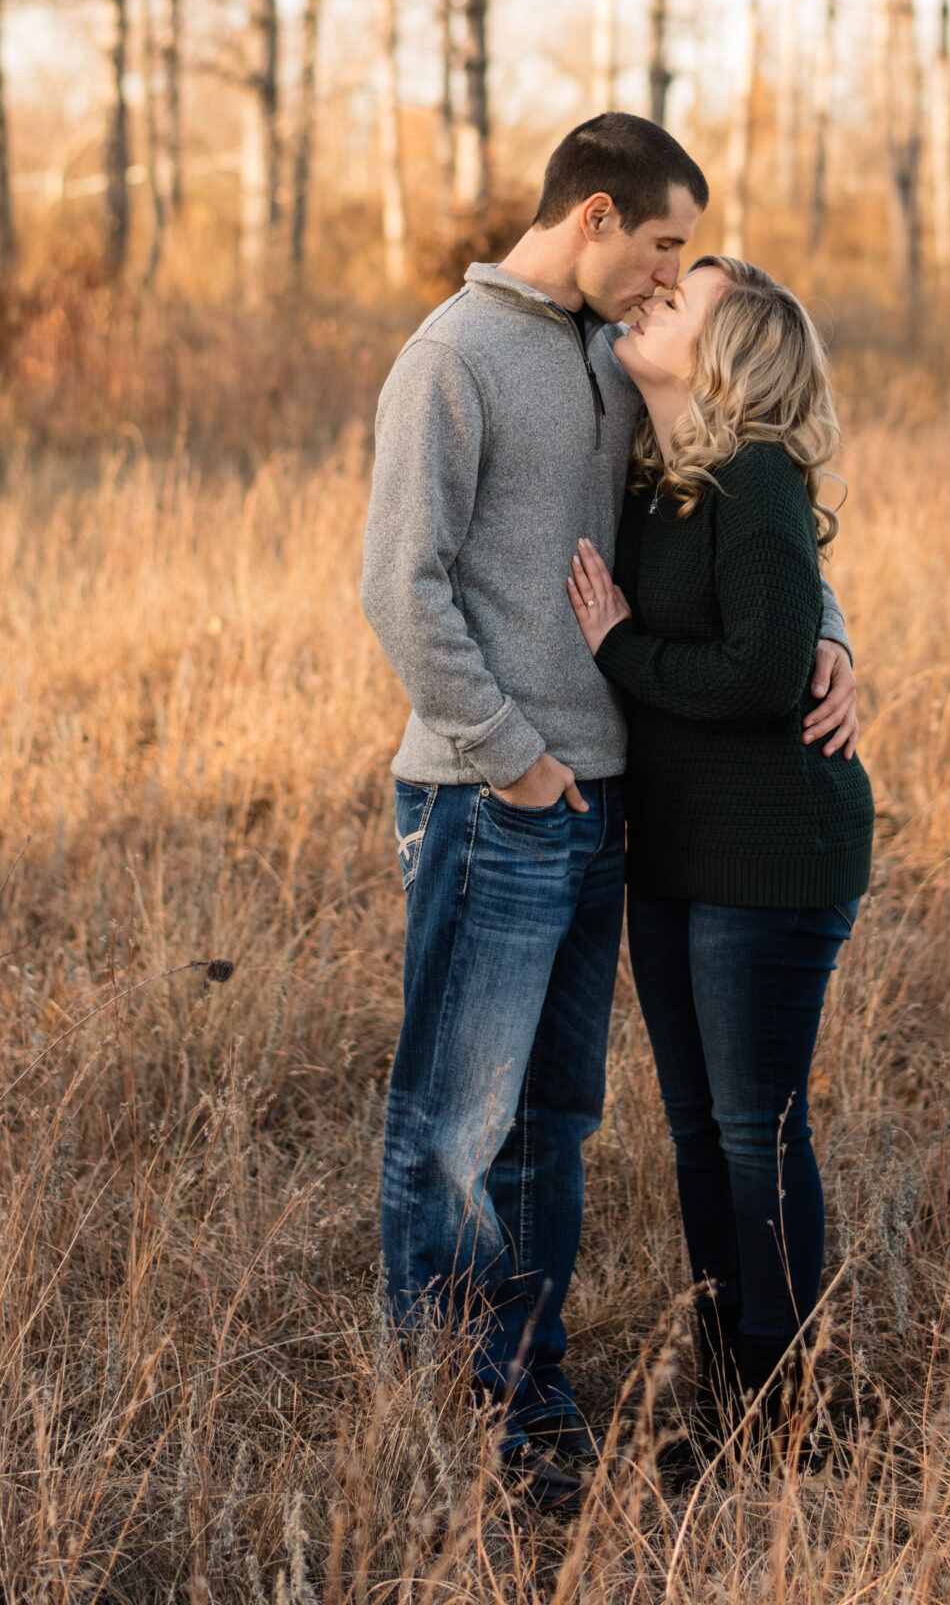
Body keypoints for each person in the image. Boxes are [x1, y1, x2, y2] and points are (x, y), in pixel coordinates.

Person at [360, 115, 859, 1511]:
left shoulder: (609, 355)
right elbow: (401, 589)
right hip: (494, 799)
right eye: (660, 246)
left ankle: (530, 1402)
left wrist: (827, 635)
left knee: (552, 1127)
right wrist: (513, 758)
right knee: (453, 1129)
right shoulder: (449, 363)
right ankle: (459, 1433)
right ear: (591, 219)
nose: (666, 281)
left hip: (609, 807)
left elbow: (744, 483)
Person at [566, 254, 874, 1457]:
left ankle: (793, 1414)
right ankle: (729, 1395)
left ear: (727, 355)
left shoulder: (749, 476)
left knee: (756, 1126)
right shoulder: (663, 479)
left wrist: (623, 652)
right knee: (697, 1127)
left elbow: (758, 670)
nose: (650, 301)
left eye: (679, 298)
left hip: (774, 853)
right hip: (679, 853)